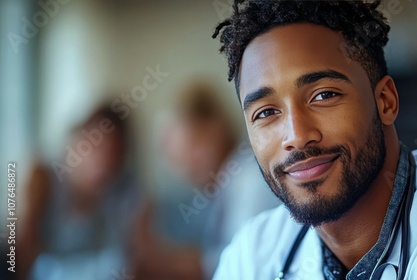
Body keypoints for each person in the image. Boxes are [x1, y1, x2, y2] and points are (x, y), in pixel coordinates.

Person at [211, 1, 417, 279]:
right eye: (266, 112)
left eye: (324, 95)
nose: (297, 137)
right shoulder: (253, 252)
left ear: (385, 101)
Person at [131, 80, 279, 279]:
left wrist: (158, 258)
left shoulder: (249, 180)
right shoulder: (222, 187)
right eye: (178, 161)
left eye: (193, 147)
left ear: (216, 129)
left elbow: (240, 265)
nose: (187, 168)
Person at [17, 105, 143, 280]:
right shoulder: (42, 177)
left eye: (112, 153)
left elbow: (131, 258)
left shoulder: (122, 192)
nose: (102, 162)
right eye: (96, 147)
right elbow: (19, 252)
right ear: (78, 142)